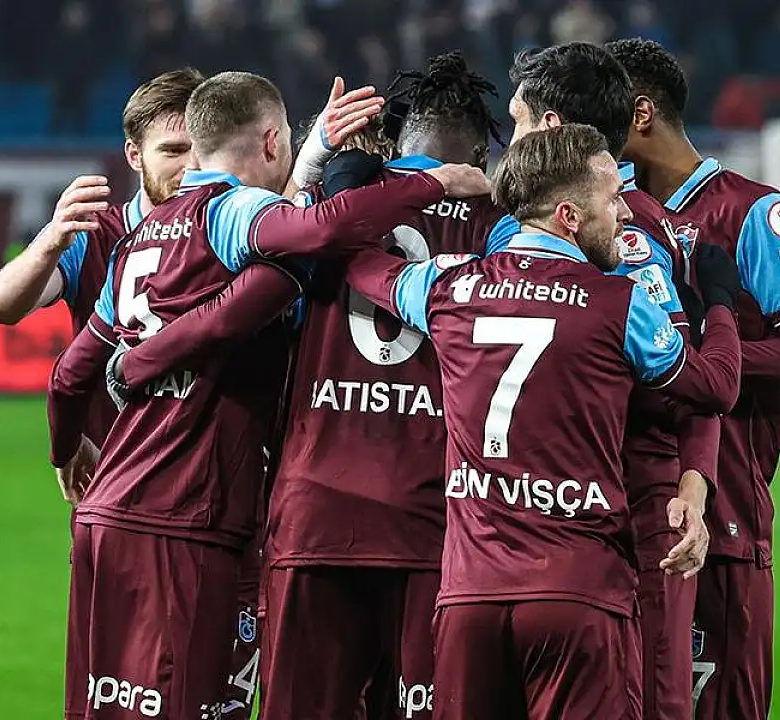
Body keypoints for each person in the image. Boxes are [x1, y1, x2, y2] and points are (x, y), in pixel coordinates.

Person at [44, 70, 490, 720]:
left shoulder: (137, 240)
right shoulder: (240, 212)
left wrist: (68, 449)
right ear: (273, 141)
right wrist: (432, 182)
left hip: (106, 515)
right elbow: (318, 234)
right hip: (190, 514)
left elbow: (68, 375)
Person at [345, 123, 742, 720]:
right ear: (569, 217)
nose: (625, 215)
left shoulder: (448, 286)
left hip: (471, 596)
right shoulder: (620, 303)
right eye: (613, 199)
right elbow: (715, 386)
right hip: (577, 593)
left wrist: (340, 189)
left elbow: (359, 264)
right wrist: (719, 302)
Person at [605, 38, 780, 720]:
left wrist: (704, 354)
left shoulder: (752, 213)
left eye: (603, 107)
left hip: (725, 513)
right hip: (623, 511)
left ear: (641, 113)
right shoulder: (605, 209)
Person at [505, 41, 720, 720]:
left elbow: (693, 382)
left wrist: (692, 483)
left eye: (516, 122)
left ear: (548, 127)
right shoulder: (523, 218)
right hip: (538, 517)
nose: (507, 140)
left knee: (648, 698)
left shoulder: (628, 233)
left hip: (618, 510)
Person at [0, 67, 203, 447]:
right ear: (134, 155)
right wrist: (51, 241)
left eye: (202, 149)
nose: (192, 166)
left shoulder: (235, 232)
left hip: (211, 469)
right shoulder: (93, 234)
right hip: (114, 469)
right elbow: (1, 306)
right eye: (173, 150)